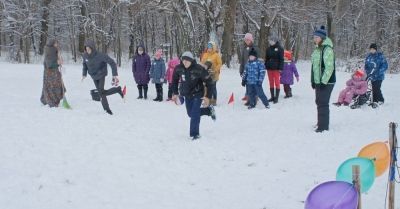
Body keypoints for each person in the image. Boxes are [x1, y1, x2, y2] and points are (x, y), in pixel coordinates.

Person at [171, 51, 216, 140]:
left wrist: (208, 97)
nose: (185, 62)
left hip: (198, 93)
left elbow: (210, 82)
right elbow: (174, 80)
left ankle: (195, 134)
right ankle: (208, 111)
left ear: (191, 61)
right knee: (190, 114)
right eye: (183, 60)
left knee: (195, 113)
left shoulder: (198, 69)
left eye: (187, 61)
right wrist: (175, 93)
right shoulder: (179, 68)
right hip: (187, 94)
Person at [82, 40, 124, 115]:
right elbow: (85, 65)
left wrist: (114, 74)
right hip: (93, 76)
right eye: (86, 49)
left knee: (101, 93)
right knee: (102, 93)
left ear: (93, 48)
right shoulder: (85, 56)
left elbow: (112, 63)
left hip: (101, 74)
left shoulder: (100, 55)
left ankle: (107, 109)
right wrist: (84, 74)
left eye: (89, 49)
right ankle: (117, 90)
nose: (87, 51)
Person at [311, 26, 336, 132]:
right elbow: (315, 66)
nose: (315, 39)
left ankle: (323, 126)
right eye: (314, 37)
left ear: (322, 38)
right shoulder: (317, 49)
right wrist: (314, 80)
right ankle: (320, 122)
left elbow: (329, 67)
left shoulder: (327, 49)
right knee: (319, 101)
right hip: (318, 81)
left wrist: (323, 81)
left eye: (317, 37)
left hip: (327, 81)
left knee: (323, 102)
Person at [40, 39, 65, 107]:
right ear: (52, 44)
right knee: (51, 86)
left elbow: (58, 60)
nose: (57, 45)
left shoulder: (55, 50)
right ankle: (51, 101)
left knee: (58, 85)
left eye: (57, 43)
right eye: (56, 44)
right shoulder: (49, 51)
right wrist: (57, 63)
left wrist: (60, 61)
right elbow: (49, 64)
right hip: (50, 74)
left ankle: (52, 99)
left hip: (55, 72)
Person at [239, 33, 259, 105]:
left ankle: (255, 98)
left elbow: (258, 60)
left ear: (251, 40)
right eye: (245, 40)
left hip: (253, 70)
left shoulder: (255, 48)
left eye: (248, 40)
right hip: (246, 70)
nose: (246, 41)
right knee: (247, 85)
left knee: (253, 85)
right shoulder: (244, 48)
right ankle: (249, 99)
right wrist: (241, 70)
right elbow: (242, 60)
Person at [201, 41, 222, 106]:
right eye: (208, 46)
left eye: (211, 47)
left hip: (214, 74)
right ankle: (207, 100)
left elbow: (219, 64)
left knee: (213, 87)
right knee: (206, 88)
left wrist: (215, 70)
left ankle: (214, 100)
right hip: (206, 74)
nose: (209, 48)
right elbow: (202, 63)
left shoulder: (216, 55)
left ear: (213, 47)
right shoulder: (205, 54)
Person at [265, 35, 284, 104]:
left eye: (271, 40)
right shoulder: (268, 49)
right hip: (269, 68)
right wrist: (266, 65)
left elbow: (281, 59)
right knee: (271, 82)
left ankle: (276, 98)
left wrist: (281, 68)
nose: (270, 41)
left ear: (275, 41)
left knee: (277, 82)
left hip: (276, 68)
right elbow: (266, 58)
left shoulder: (280, 48)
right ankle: (272, 97)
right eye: (269, 40)